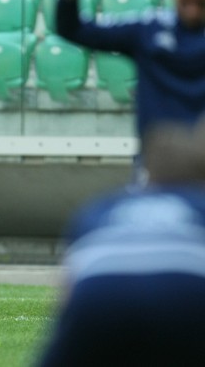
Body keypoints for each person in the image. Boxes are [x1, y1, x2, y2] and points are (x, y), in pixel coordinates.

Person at [37, 120, 205, 366]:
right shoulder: (198, 204)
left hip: (99, 292)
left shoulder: (103, 206)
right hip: (186, 290)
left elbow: (68, 286)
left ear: (146, 173)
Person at [57, 0, 205, 179]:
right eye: (186, 1)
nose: (192, 9)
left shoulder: (147, 30)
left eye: (201, 3)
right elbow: (73, 29)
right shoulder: (147, 30)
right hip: (157, 166)